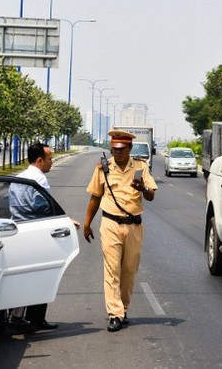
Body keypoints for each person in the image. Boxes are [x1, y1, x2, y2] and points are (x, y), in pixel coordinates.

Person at [83, 129, 157, 332]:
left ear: (130, 148)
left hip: (133, 225)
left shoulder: (141, 167)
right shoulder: (103, 169)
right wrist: (87, 223)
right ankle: (114, 313)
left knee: (129, 270)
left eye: (122, 149)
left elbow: (151, 196)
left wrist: (142, 188)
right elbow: (95, 198)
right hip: (110, 224)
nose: (118, 153)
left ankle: (123, 309)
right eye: (114, 149)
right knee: (112, 269)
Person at [7, 143, 79, 333]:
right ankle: (33, 319)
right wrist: (64, 221)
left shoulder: (18, 178)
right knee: (42, 276)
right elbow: (43, 208)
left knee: (22, 277)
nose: (51, 162)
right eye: (49, 159)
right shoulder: (39, 180)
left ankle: (22, 316)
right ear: (39, 160)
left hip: (16, 232)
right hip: (36, 233)